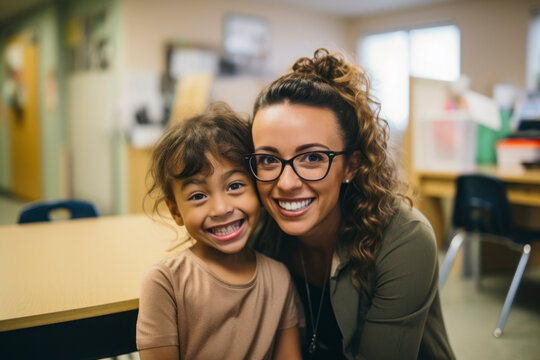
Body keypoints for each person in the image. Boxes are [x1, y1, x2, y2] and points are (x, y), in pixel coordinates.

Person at [246, 49, 455, 359]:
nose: (286, 183)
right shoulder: (261, 230)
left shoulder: (404, 239)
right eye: (268, 159)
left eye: (313, 158)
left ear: (351, 166)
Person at [136, 103, 301, 360]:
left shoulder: (279, 278)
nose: (221, 208)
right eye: (198, 195)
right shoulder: (165, 283)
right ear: (175, 211)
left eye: (235, 186)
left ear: (258, 188)